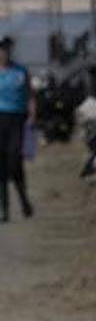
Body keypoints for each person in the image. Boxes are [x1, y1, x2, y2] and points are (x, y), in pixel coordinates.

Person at [0, 36, 34, 221]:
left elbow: (30, 94)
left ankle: (24, 200)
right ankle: (3, 209)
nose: (3, 54)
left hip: (16, 120)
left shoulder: (20, 72)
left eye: (5, 50)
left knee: (14, 162)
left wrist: (32, 115)